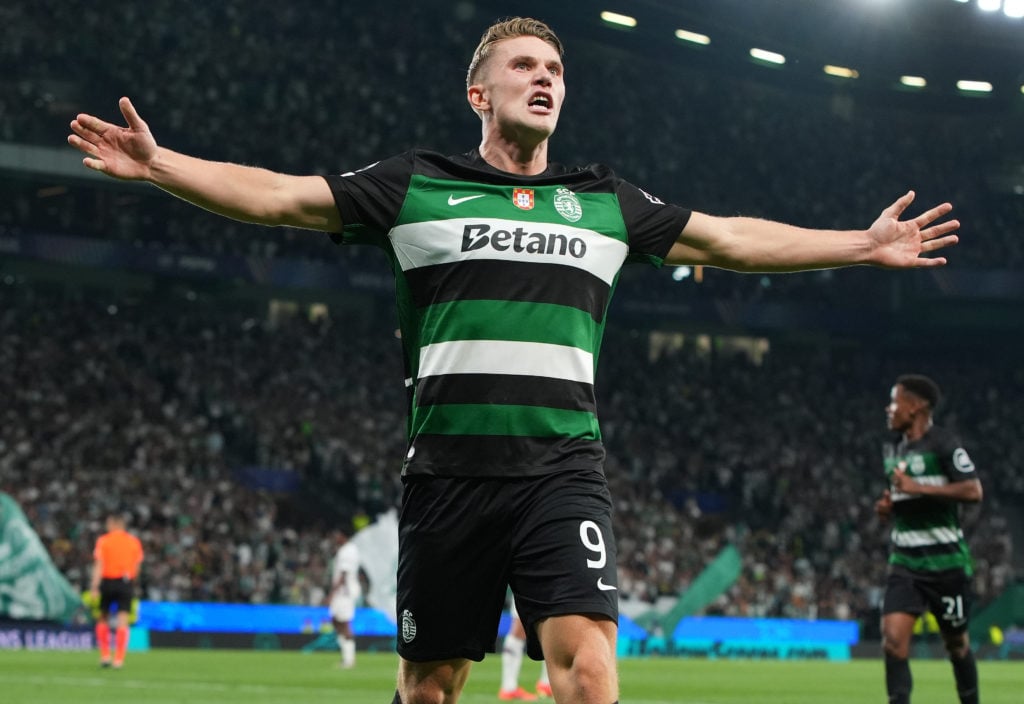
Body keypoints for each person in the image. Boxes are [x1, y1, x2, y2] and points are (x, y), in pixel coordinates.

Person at [68, 16, 959, 704]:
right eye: (526, 67)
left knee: (589, 674)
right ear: (478, 92)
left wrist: (858, 243)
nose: (546, 80)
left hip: (560, 472)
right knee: (431, 687)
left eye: (557, 71)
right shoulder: (413, 184)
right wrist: (163, 166)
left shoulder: (607, 200)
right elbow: (276, 197)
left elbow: (730, 238)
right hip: (448, 476)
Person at [875, 374, 982, 704]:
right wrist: (889, 506)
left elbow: (972, 490)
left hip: (946, 563)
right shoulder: (894, 449)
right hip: (905, 561)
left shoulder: (945, 444)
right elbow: (904, 496)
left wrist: (917, 488)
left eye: (895, 401)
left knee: (956, 645)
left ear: (916, 406)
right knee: (893, 640)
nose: (888, 408)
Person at [89, 513, 144, 669]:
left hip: (107, 581)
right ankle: (119, 659)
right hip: (125, 582)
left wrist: (94, 586)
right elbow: (137, 567)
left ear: (114, 524)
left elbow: (99, 564)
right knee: (123, 620)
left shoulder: (104, 541)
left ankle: (105, 656)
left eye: (108, 523)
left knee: (103, 618)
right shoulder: (134, 542)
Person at [500, 600, 551, 700]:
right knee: (519, 627)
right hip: (528, 587)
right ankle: (509, 687)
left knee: (552, 624)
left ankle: (546, 683)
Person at [328, 529, 362, 669]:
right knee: (336, 620)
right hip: (343, 592)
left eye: (337, 534)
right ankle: (346, 656)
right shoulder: (347, 549)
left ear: (343, 535)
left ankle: (349, 659)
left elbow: (344, 574)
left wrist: (331, 594)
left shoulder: (348, 551)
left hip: (345, 592)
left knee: (345, 623)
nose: (335, 537)